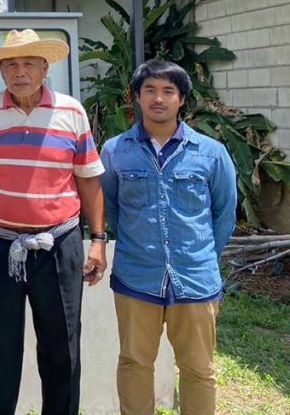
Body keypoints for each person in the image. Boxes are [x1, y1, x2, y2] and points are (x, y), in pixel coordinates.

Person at [0, 29, 107, 415]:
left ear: (45, 68)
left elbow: (88, 177)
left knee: (61, 343)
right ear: (1, 70)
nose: (20, 72)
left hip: (59, 244)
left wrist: (98, 240)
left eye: (29, 64)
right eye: (11, 64)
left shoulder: (71, 112)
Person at [101, 60, 237, 415]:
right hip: (136, 277)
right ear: (137, 96)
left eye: (168, 91)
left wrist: (201, 255)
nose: (158, 99)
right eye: (149, 90)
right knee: (134, 362)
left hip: (195, 279)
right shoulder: (115, 151)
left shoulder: (211, 153)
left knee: (199, 369)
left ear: (182, 99)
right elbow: (111, 208)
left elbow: (224, 214)